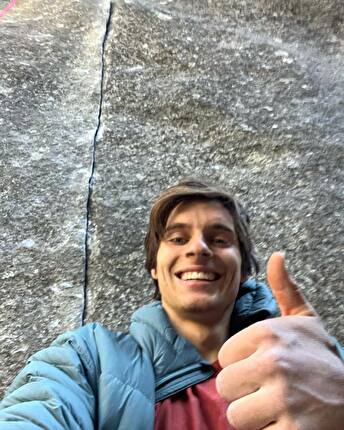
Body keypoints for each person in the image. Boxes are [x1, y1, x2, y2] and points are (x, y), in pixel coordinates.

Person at [0, 177, 343, 429]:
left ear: (243, 270)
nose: (198, 249)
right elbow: (36, 412)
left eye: (219, 239)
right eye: (178, 238)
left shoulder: (314, 361)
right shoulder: (88, 360)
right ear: (154, 266)